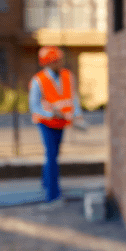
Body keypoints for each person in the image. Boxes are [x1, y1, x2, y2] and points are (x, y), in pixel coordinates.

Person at [29, 46, 84, 205]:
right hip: (45, 123)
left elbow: (73, 97)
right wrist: (50, 114)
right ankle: (52, 194)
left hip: (61, 122)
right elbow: (34, 106)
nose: (60, 62)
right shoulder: (38, 80)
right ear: (48, 62)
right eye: (57, 60)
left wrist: (77, 115)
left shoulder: (68, 76)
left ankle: (46, 182)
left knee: (53, 155)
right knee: (52, 155)